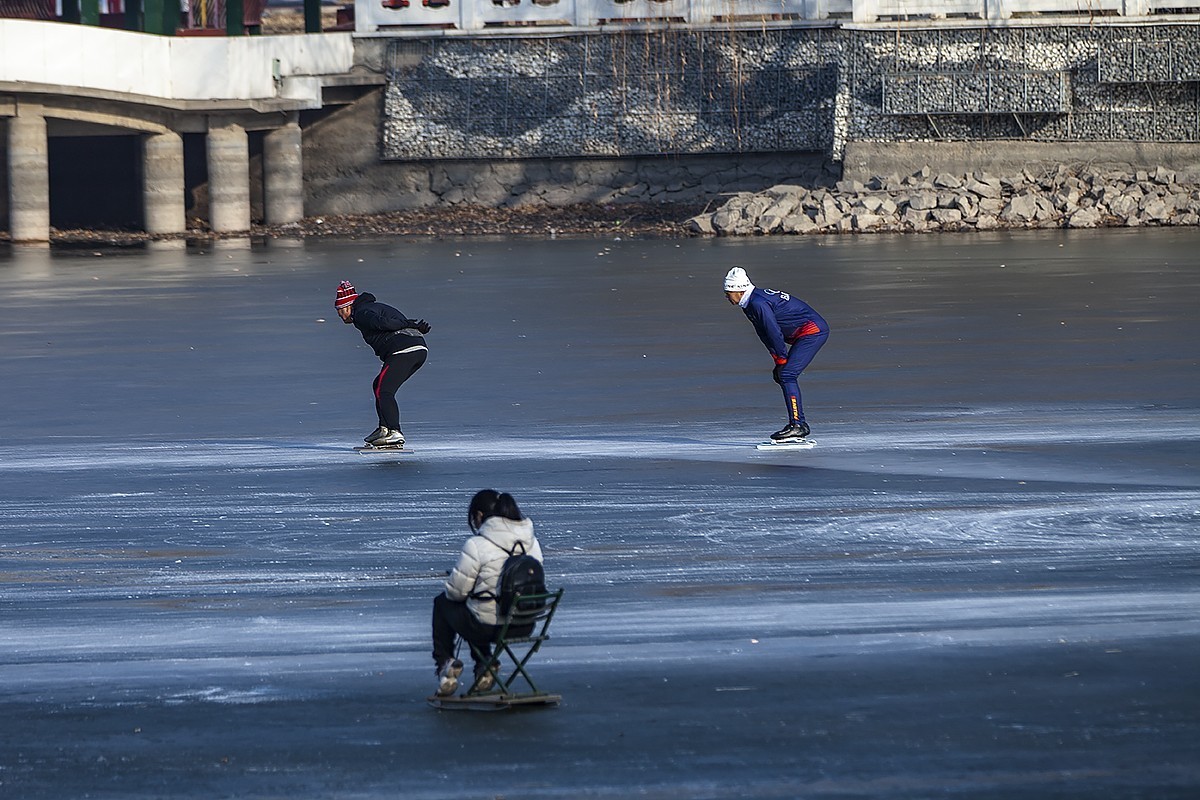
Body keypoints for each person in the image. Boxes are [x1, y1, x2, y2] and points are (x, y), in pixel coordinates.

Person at [431, 490, 543, 697]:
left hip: (488, 627)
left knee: (444, 604)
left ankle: (446, 663)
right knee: (479, 607)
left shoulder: (477, 545)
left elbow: (455, 594)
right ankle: (484, 666)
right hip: (524, 624)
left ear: (481, 516)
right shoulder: (532, 543)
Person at [723, 266, 829, 442]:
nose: (726, 296)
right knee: (783, 374)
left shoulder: (757, 303)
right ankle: (797, 423)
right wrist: (778, 359)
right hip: (802, 333)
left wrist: (781, 360)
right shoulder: (751, 301)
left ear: (738, 290)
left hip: (813, 331)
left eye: (727, 292)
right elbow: (763, 333)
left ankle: (798, 425)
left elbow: (773, 332)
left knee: (787, 374)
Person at [334, 280, 430, 447]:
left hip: (403, 350)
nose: (339, 315)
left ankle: (394, 431)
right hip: (418, 349)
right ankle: (384, 429)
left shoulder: (361, 313)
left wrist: (409, 324)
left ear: (348, 306)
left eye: (339, 310)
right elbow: (391, 322)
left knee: (384, 390)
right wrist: (411, 325)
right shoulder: (372, 307)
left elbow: (383, 323)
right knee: (379, 384)